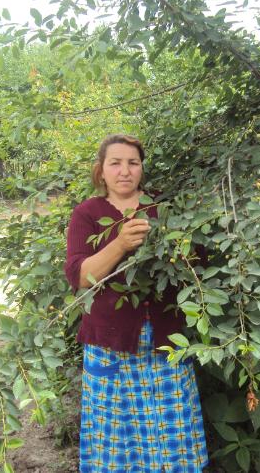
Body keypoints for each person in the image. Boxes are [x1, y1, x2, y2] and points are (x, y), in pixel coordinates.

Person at [64, 134, 208, 472]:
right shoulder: (87, 214)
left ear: (142, 168)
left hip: (167, 342)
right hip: (110, 345)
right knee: (116, 437)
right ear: (101, 170)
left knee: (170, 432)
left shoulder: (164, 209)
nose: (125, 171)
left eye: (133, 163)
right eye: (115, 163)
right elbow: (80, 276)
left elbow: (197, 263)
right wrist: (120, 245)